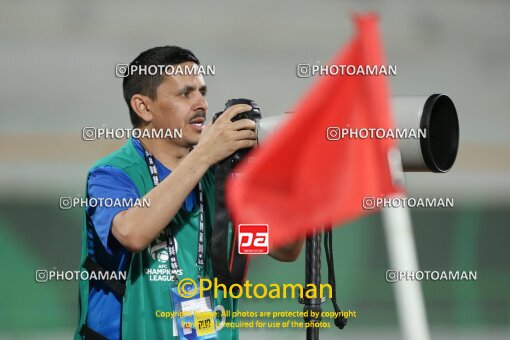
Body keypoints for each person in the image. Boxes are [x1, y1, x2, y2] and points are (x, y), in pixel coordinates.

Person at [75, 45, 303, 340]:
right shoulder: (112, 174)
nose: (202, 104)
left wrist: (293, 177)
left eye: (202, 92)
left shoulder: (222, 176)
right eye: (186, 94)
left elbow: (285, 249)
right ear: (143, 107)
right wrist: (206, 155)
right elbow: (133, 233)